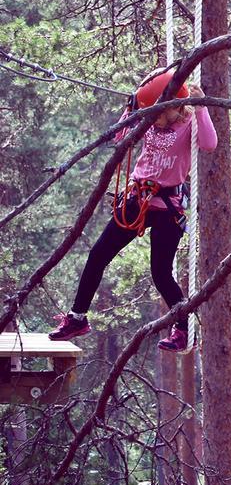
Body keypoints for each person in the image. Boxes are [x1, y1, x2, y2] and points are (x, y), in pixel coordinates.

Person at [49, 70, 217, 350]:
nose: (153, 120)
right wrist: (130, 107)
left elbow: (209, 144)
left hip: (167, 207)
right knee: (98, 254)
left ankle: (184, 329)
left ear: (175, 107)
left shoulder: (188, 122)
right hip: (137, 199)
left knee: (161, 273)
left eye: (158, 114)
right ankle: (77, 318)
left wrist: (201, 108)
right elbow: (120, 137)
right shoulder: (150, 118)